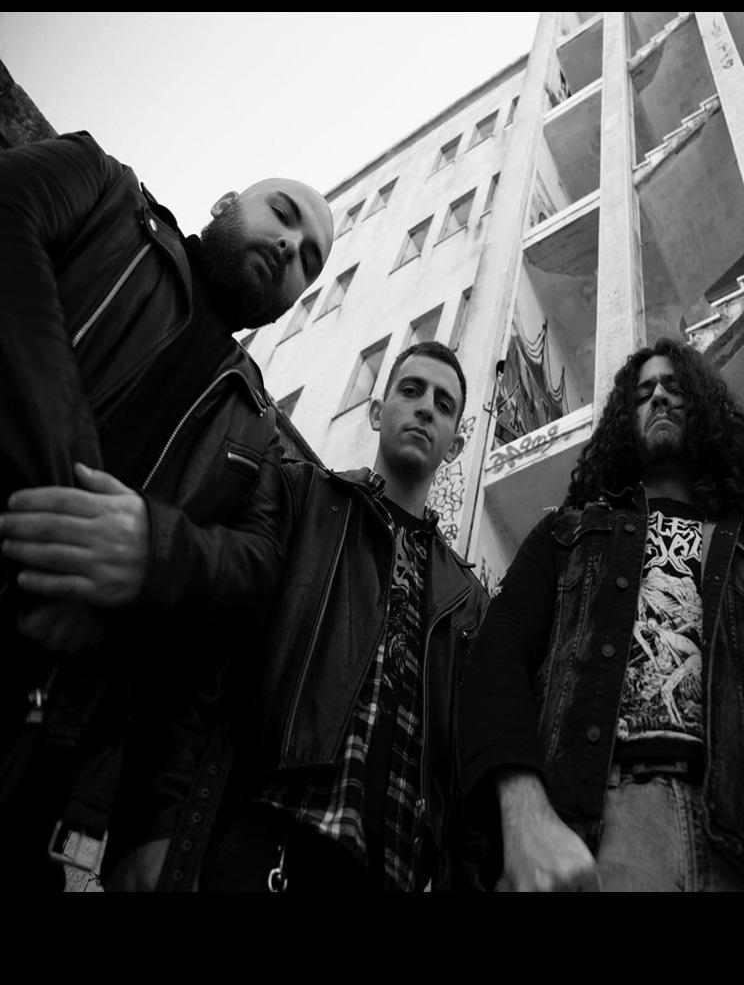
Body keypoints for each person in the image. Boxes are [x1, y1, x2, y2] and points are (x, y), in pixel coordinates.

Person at [0, 129, 333, 890]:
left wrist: (150, 550)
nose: (291, 247)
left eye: (310, 260)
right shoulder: (102, 191)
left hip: (36, 737)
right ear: (225, 204)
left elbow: (252, 574)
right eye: (283, 215)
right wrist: (78, 520)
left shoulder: (259, 430)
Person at [458, 338, 744, 892]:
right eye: (644, 393)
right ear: (625, 418)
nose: (660, 397)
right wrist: (525, 818)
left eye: (674, 387)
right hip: (593, 835)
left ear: (703, 409)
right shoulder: (566, 537)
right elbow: (495, 659)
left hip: (743, 852)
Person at [156, 341, 489, 893]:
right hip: (270, 838)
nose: (426, 408)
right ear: (377, 413)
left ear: (455, 445)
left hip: (389, 871)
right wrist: (162, 822)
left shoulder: (468, 601)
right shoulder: (303, 496)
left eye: (444, 404)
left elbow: (466, 774)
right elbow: (211, 658)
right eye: (411, 391)